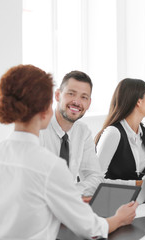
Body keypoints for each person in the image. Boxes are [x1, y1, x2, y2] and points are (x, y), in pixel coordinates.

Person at [0, 64, 138, 239]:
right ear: (46, 108)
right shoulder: (49, 166)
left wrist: (64, 199)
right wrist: (119, 219)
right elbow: (91, 229)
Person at [95, 78, 145, 187]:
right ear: (138, 101)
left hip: (138, 199)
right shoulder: (113, 133)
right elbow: (95, 180)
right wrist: (137, 184)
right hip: (115, 200)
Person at [39, 70, 102, 198]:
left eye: (83, 97)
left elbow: (95, 177)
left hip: (66, 206)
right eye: (71, 94)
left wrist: (70, 192)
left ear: (89, 103)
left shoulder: (83, 132)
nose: (77, 102)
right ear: (57, 95)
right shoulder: (38, 128)